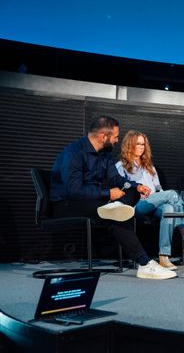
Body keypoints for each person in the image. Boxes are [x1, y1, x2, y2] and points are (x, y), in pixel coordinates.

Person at [50, 116, 176, 280]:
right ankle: (144, 263)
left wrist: (136, 186)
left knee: (130, 193)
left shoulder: (105, 154)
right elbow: (75, 191)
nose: (117, 140)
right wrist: (108, 194)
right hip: (68, 204)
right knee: (112, 214)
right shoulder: (73, 153)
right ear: (103, 136)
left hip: (94, 200)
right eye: (115, 137)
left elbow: (117, 180)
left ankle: (116, 208)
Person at [116, 130, 184, 271]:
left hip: (154, 203)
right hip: (136, 205)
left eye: (143, 144)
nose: (141, 147)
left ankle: (164, 256)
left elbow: (159, 189)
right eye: (137, 144)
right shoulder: (121, 166)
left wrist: (166, 200)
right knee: (173, 194)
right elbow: (119, 190)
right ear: (129, 145)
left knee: (169, 208)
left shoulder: (149, 166)